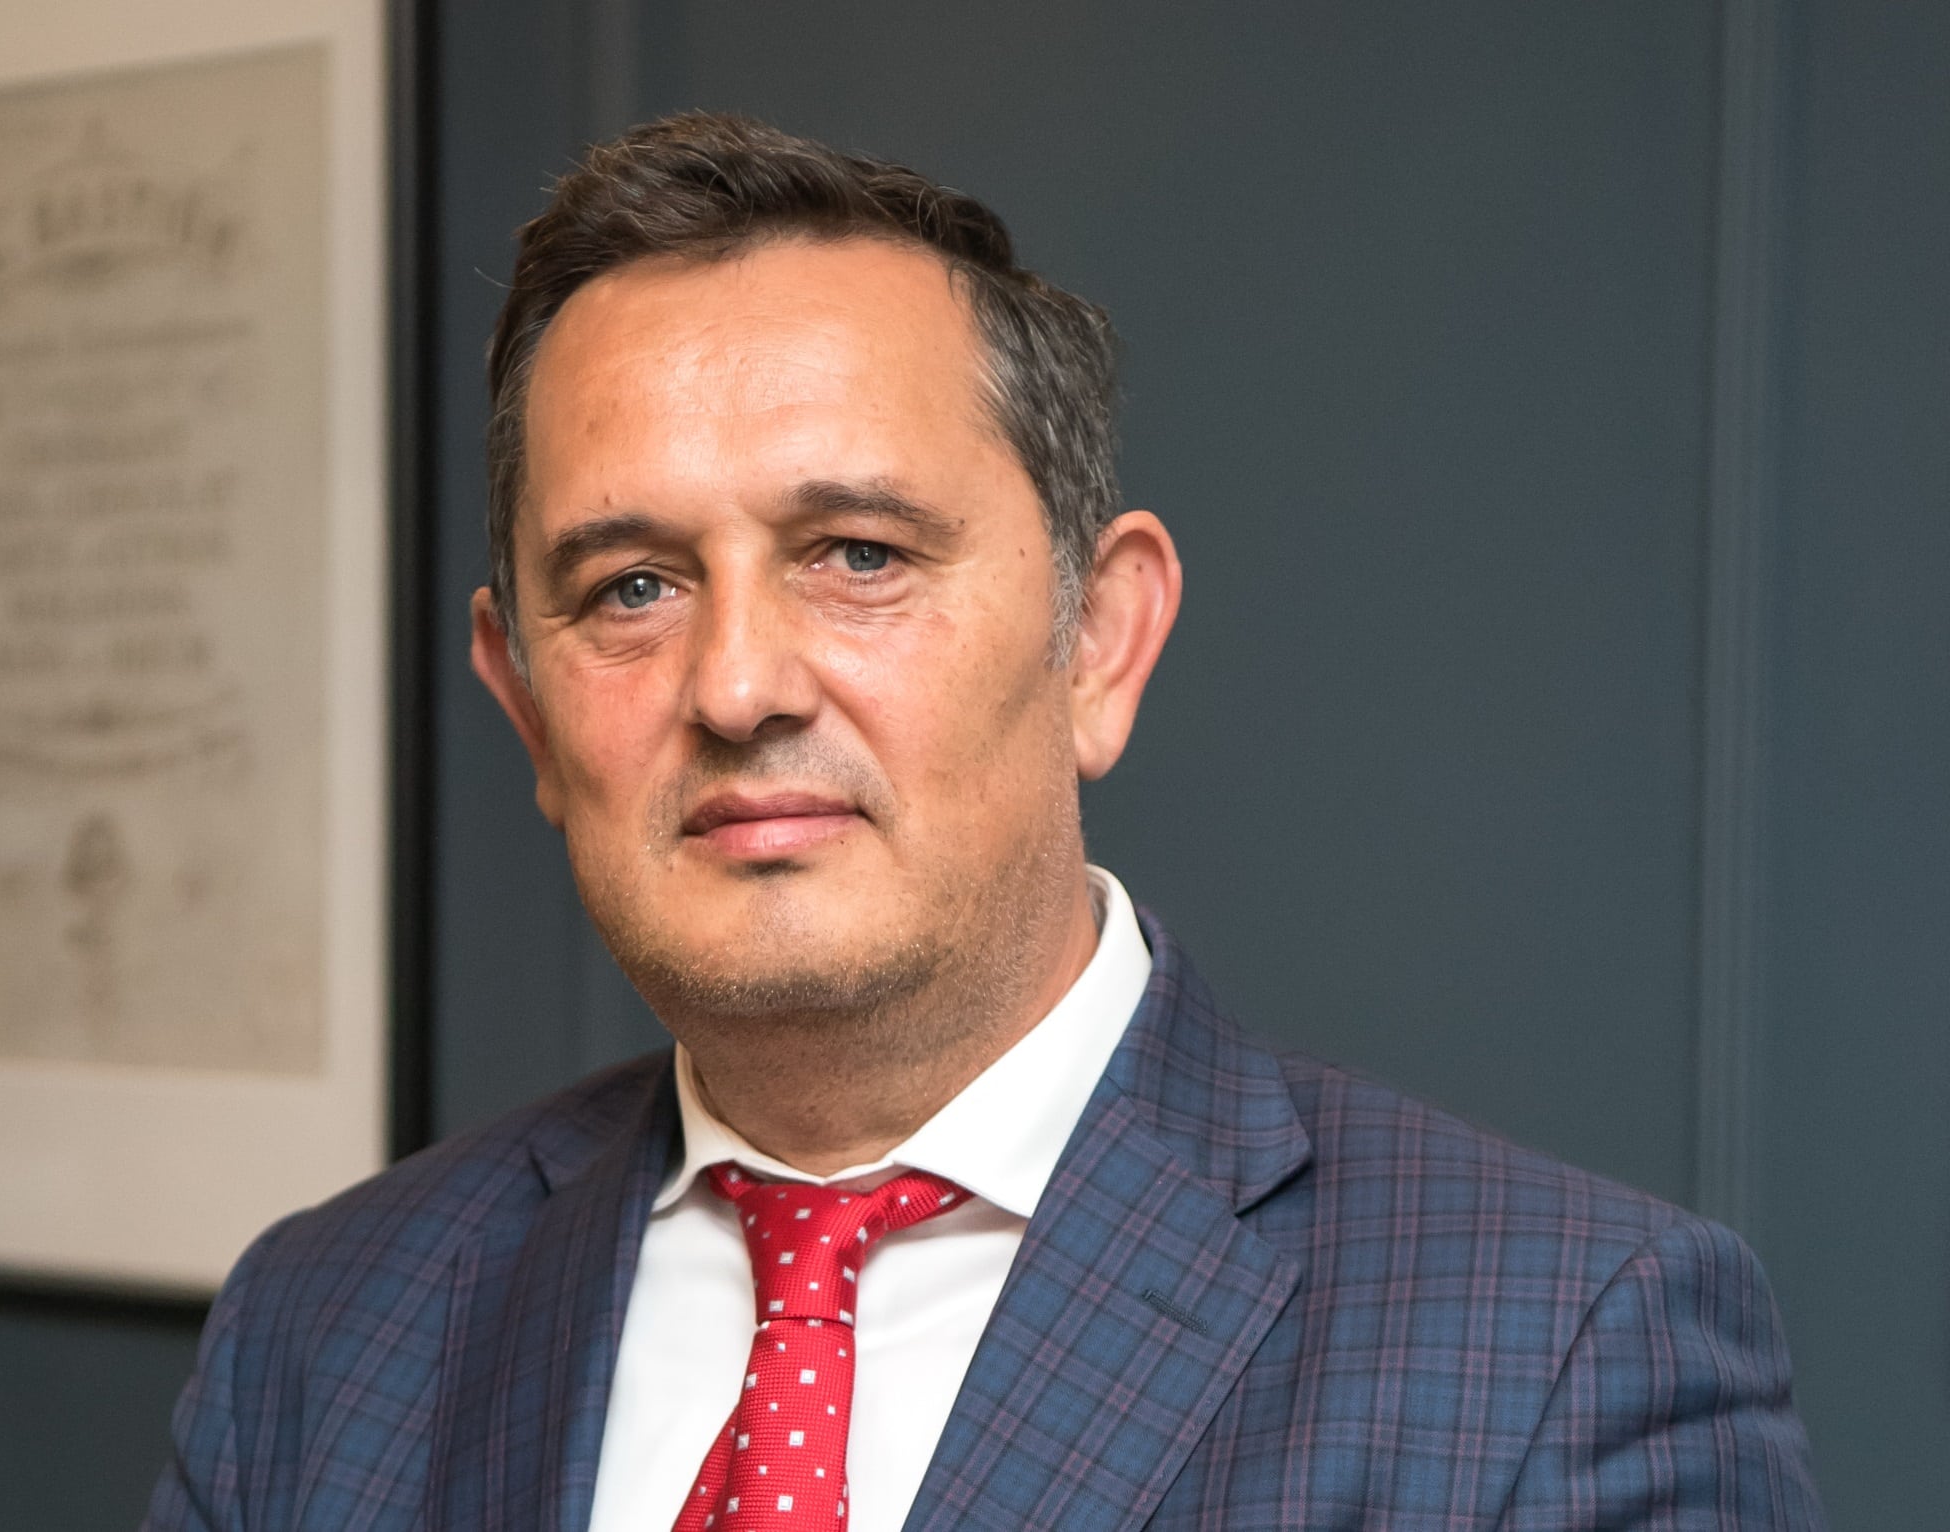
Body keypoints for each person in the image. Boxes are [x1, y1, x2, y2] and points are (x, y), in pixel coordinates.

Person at [145, 112, 1824, 1531]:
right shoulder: (326, 1329)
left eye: (859, 556)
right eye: (633, 586)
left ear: (1100, 640)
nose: (739, 686)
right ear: (523, 701)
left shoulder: (1561, 1355)